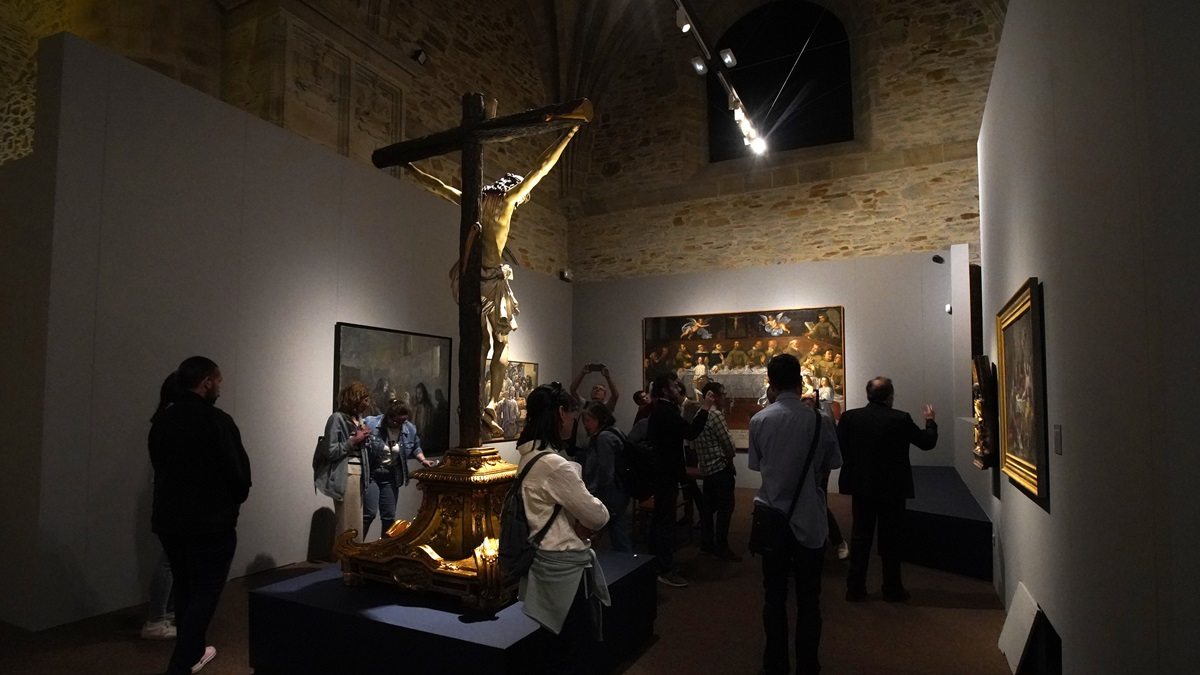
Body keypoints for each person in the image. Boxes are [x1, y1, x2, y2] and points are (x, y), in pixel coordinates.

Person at [403, 126, 580, 434]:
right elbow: (541, 167)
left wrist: (409, 167)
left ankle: (479, 404)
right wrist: (567, 134)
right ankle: (490, 404)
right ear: (517, 191)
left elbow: (438, 186)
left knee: (481, 341)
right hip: (494, 281)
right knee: (500, 344)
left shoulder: (472, 201)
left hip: (472, 279)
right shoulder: (509, 201)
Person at [148, 356, 251, 675]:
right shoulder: (217, 421)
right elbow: (240, 475)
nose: (220, 386)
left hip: (170, 522)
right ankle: (180, 664)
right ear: (207, 381)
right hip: (211, 524)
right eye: (218, 381)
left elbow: (159, 466)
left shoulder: (163, 421)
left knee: (185, 586)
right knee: (205, 592)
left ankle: (192, 652)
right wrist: (229, 505)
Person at [748, 354, 841, 675]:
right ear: (800, 380)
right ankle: (807, 665)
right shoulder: (820, 421)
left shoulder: (760, 420)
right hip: (810, 519)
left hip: (773, 518)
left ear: (771, 383)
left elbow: (758, 467)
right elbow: (829, 466)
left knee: (773, 597)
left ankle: (774, 664)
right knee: (809, 599)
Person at [515, 383, 611, 674]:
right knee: (571, 650)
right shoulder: (556, 465)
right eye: (571, 413)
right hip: (565, 567)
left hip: (542, 561)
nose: (574, 420)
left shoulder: (527, 458)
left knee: (552, 646)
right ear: (560, 413)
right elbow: (597, 515)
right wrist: (586, 518)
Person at [837, 376, 938, 602]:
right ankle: (892, 589)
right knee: (890, 540)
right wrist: (930, 421)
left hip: (861, 487)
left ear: (868, 395)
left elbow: (839, 448)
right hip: (892, 489)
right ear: (890, 396)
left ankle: (855, 588)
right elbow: (927, 442)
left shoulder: (850, 417)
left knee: (860, 537)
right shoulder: (900, 419)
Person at [646, 371, 715, 587]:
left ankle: (654, 561)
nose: (678, 389)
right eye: (675, 386)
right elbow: (692, 432)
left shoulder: (663, 410)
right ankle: (664, 568)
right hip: (666, 473)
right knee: (665, 520)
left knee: (660, 518)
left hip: (662, 472)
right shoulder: (665, 411)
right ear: (665, 390)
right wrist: (705, 407)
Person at [142, 371, 180, 641]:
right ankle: (156, 619)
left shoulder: (163, 420)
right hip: (176, 500)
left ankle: (165, 614)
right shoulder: (173, 421)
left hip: (169, 499)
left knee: (173, 560)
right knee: (170, 561)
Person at [362, 400, 436, 539]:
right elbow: (356, 428)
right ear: (388, 416)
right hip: (373, 474)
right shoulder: (372, 423)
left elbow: (415, 447)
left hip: (391, 476)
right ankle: (356, 548)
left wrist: (423, 460)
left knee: (389, 516)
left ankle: (384, 550)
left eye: (403, 421)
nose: (400, 425)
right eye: (396, 422)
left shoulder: (409, 429)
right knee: (369, 514)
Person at [315, 382, 374, 543]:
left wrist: (364, 440)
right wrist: (354, 440)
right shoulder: (336, 419)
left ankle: (352, 556)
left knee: (356, 519)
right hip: (346, 474)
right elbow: (330, 451)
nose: (367, 404)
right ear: (355, 399)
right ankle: (345, 558)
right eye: (365, 400)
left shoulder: (359, 420)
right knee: (347, 520)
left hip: (359, 473)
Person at [692, 381, 739, 561]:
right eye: (723, 394)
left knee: (708, 509)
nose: (725, 398)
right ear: (715, 396)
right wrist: (730, 457)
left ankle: (706, 544)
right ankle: (721, 547)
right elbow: (728, 444)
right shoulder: (716, 415)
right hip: (720, 468)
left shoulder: (700, 413)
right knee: (725, 509)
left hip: (707, 469)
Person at [579, 401, 631, 552]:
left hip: (612, 493)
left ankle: (627, 568)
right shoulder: (613, 432)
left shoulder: (603, 438)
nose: (586, 425)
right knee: (616, 530)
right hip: (619, 490)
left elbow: (606, 472)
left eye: (588, 420)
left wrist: (598, 496)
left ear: (598, 419)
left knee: (617, 532)